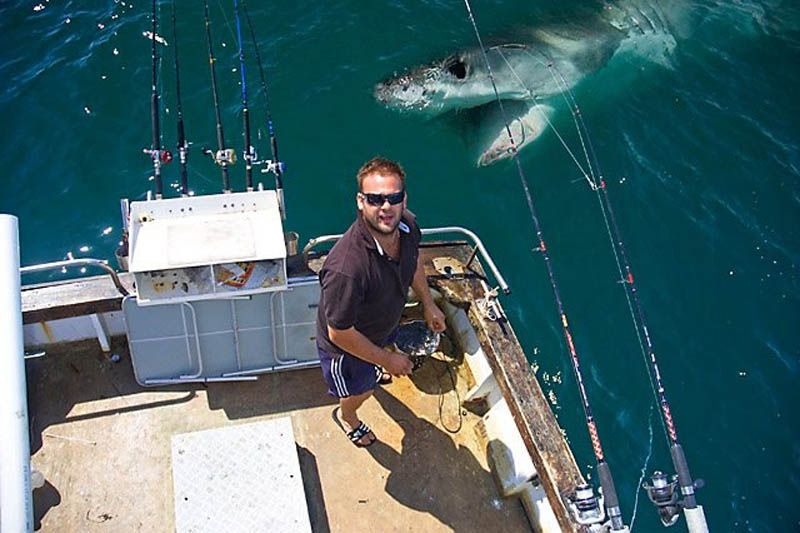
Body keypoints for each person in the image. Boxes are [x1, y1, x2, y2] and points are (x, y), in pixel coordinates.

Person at [316, 156, 446, 447]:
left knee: (372, 374)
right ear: (361, 202)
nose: (385, 207)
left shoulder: (407, 226)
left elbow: (413, 262)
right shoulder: (346, 268)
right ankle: (347, 417)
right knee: (359, 391)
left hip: (382, 327)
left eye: (393, 198)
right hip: (346, 350)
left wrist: (428, 303)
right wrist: (387, 359)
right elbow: (340, 332)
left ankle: (373, 371)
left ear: (404, 199)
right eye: (375, 199)